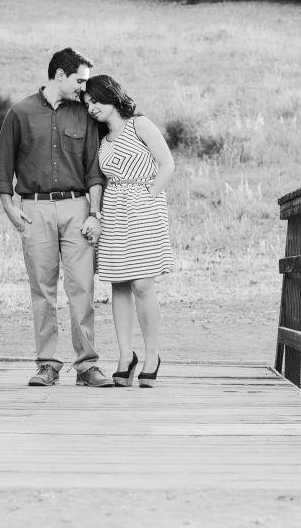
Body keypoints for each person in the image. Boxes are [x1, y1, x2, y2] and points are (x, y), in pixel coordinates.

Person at [0, 48, 113, 388]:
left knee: (82, 289)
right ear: (60, 75)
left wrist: (95, 213)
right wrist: (9, 206)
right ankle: (47, 364)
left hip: (77, 208)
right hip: (34, 209)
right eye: (80, 80)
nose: (84, 88)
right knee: (42, 291)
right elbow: (3, 165)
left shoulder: (85, 116)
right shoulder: (20, 112)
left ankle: (87, 366)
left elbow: (94, 170)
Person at [82, 75, 175, 388]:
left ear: (111, 95)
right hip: (114, 212)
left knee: (142, 284)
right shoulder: (102, 139)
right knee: (118, 283)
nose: (91, 107)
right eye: (87, 103)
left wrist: (148, 199)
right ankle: (125, 356)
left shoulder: (139, 125)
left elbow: (167, 164)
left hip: (144, 209)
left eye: (95, 100)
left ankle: (152, 356)